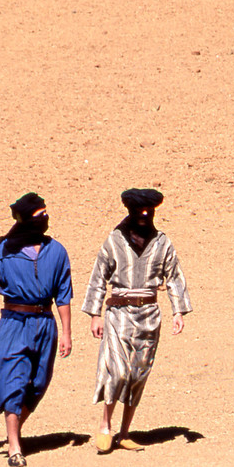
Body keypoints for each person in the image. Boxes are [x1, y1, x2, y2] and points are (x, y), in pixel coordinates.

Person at [0, 193, 73, 467]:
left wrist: (67, 332)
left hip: (45, 324)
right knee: (14, 381)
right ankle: (14, 446)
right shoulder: (3, 253)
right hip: (13, 324)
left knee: (38, 383)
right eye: (41, 215)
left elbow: (63, 295)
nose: (46, 219)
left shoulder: (57, 251)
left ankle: (14, 429)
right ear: (27, 220)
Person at [82, 188, 191, 453]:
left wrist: (178, 311)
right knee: (116, 370)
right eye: (139, 213)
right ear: (130, 213)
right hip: (119, 313)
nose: (144, 217)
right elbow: (98, 278)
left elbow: (173, 276)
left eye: (148, 213)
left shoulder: (162, 243)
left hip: (149, 316)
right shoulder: (114, 241)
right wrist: (95, 314)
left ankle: (125, 432)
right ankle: (105, 426)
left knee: (138, 373)